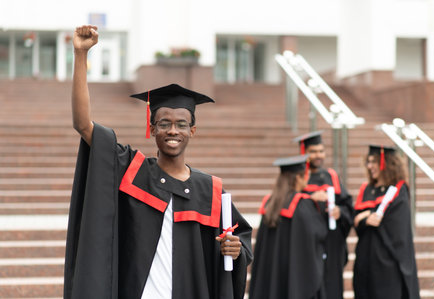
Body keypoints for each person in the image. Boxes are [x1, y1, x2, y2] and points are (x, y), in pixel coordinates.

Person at [64, 25, 253, 299]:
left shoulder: (210, 190)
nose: (173, 131)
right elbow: (83, 125)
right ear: (152, 128)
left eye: (181, 124)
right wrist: (81, 56)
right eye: (164, 123)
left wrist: (236, 250)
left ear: (192, 131)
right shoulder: (134, 171)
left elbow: (239, 243)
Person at [249, 155, 328, 299]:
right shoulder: (304, 204)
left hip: (271, 274)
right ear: (299, 177)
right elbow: (319, 234)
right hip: (294, 276)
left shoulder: (271, 203)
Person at [353, 145, 420, 299]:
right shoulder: (366, 189)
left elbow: (395, 225)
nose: (370, 166)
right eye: (368, 162)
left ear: (386, 163)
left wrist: (365, 217)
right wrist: (364, 219)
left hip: (387, 262)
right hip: (364, 259)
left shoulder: (398, 189)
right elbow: (356, 220)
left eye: (373, 162)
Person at [293, 131, 353, 299]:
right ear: (304, 152)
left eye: (321, 151)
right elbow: (288, 203)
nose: (318, 155)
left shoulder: (331, 176)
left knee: (332, 284)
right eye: (313, 151)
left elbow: (347, 205)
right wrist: (310, 198)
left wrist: (340, 212)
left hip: (331, 241)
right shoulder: (297, 177)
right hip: (306, 242)